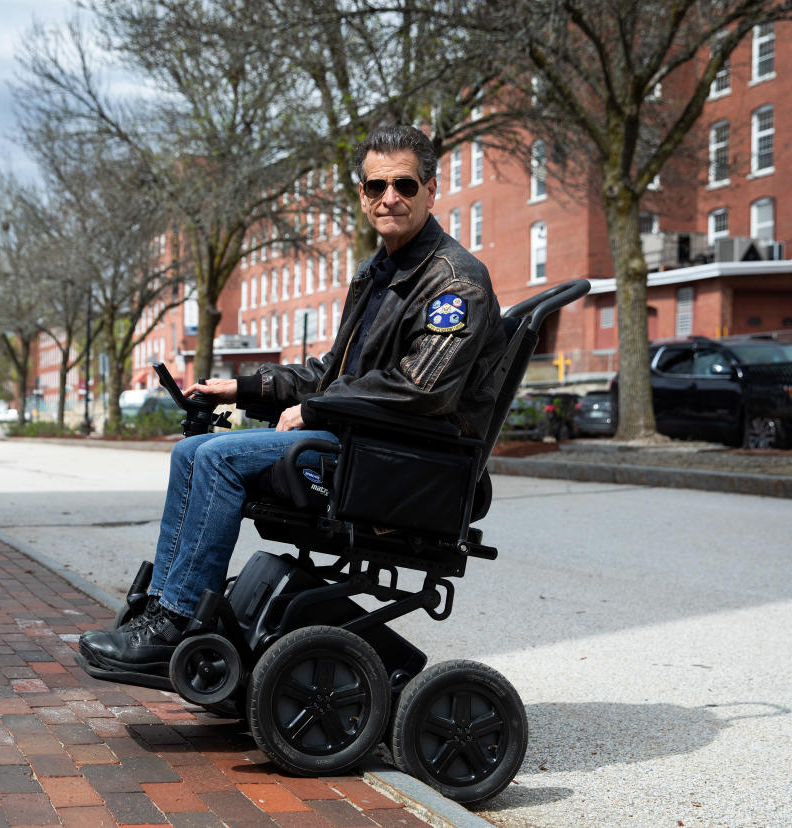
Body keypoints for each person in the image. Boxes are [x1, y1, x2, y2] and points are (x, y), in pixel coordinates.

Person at [79, 125, 506, 676]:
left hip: (396, 459)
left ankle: (178, 621)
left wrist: (318, 409)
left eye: (403, 184)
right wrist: (243, 387)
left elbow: (422, 388)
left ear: (430, 188)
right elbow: (331, 373)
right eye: (376, 187)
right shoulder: (378, 273)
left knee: (216, 457)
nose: (389, 198)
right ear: (362, 195)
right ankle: (160, 613)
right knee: (191, 452)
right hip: (361, 441)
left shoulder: (455, 280)